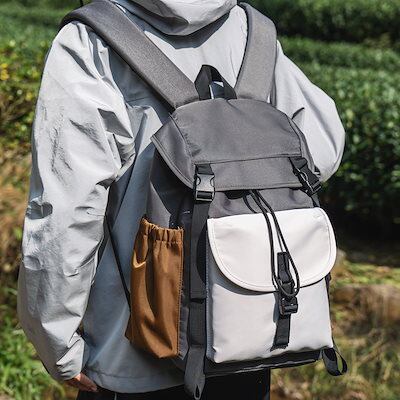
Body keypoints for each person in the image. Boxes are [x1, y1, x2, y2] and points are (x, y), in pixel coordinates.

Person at [17, 0, 345, 399]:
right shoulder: (249, 30)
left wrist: (57, 343)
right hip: (253, 333)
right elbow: (321, 149)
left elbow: (66, 213)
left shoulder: (90, 40)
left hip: (132, 355)